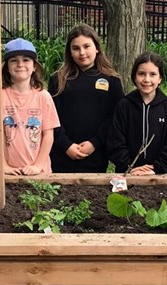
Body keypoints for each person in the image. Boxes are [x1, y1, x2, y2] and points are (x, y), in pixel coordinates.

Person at [48, 24, 124, 173]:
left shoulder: (111, 80)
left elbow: (115, 118)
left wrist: (94, 143)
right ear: (69, 52)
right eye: (76, 48)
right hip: (62, 154)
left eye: (86, 46)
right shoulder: (57, 80)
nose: (82, 52)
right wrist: (66, 145)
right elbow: (50, 116)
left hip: (95, 154)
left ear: (96, 48)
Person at [0, 38, 60, 175]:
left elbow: (48, 135)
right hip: (9, 171)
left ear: (34, 66)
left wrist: (37, 165)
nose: (20, 64)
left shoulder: (43, 96)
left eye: (26, 60)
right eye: (14, 60)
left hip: (39, 171)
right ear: (7, 66)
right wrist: (3, 165)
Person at [107, 52, 167, 175]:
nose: (147, 79)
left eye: (153, 74)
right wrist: (128, 166)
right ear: (134, 77)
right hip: (127, 173)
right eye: (141, 74)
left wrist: (157, 168)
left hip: (160, 175)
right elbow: (115, 141)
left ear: (160, 78)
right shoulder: (124, 106)